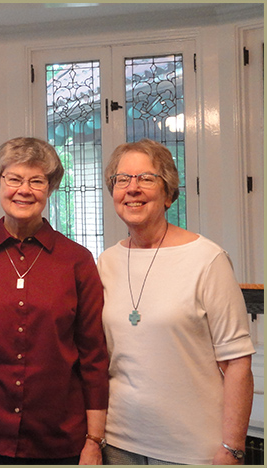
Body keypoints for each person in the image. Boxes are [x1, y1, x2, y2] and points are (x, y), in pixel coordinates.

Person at [0, 137, 109, 465]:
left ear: (50, 188)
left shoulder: (77, 261)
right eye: (13, 178)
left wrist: (94, 441)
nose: (23, 190)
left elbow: (94, 355)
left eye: (36, 181)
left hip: (59, 439)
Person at [98, 139, 255, 465]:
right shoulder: (106, 263)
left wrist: (233, 447)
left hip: (191, 450)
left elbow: (237, 362)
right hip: (116, 444)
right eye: (122, 179)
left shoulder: (207, 260)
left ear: (169, 192)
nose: (132, 189)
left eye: (146, 178)